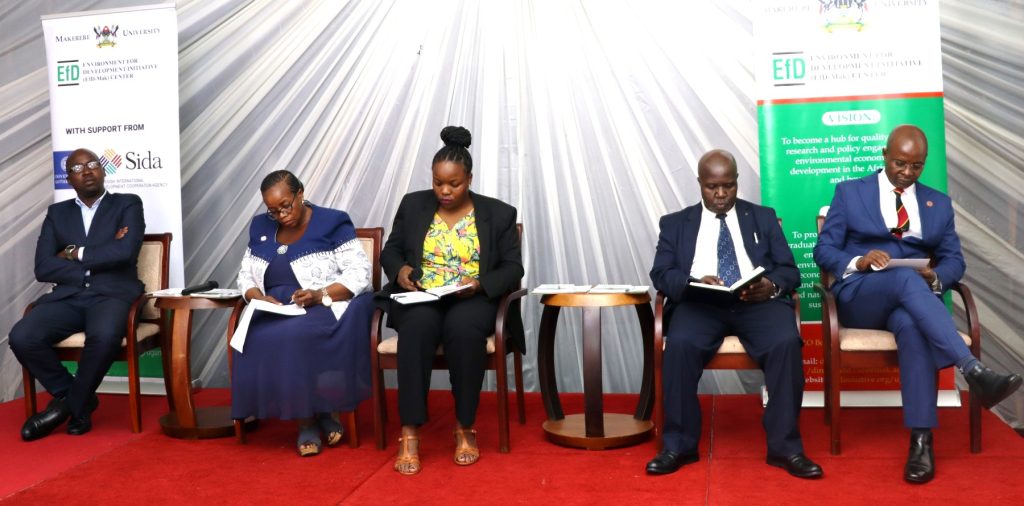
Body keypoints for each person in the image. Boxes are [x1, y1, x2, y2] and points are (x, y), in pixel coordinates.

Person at [814, 124, 1021, 484]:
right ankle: (972, 370)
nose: (907, 173)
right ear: (884, 155)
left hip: (909, 301)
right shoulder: (850, 193)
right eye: (899, 164)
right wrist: (859, 260)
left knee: (913, 326)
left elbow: (954, 260)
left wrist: (936, 278)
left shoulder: (937, 204)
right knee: (908, 281)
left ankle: (921, 440)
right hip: (861, 295)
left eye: (916, 166)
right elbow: (824, 249)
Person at [646, 149, 823, 479]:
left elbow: (790, 270)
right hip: (700, 305)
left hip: (757, 303)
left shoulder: (763, 217)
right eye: (712, 186)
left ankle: (786, 448)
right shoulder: (675, 223)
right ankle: (678, 446)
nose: (721, 194)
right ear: (700, 183)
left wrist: (769, 285)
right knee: (680, 345)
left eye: (728, 185)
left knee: (786, 342)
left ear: (737, 182)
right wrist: (693, 283)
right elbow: (661, 272)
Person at [379, 126, 524, 475]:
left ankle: (464, 427)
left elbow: (512, 268)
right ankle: (410, 431)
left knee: (462, 330)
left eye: (454, 184)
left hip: (470, 296)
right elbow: (392, 250)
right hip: (421, 294)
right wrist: (401, 272)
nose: (444, 191)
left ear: (469, 179)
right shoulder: (413, 205)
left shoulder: (498, 214)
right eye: (438, 183)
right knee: (416, 329)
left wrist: (480, 283)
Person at [233, 170, 374, 457]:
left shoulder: (332, 221)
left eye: (286, 205)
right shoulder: (260, 226)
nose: (281, 215)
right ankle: (317, 414)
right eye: (273, 211)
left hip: (323, 304)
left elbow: (361, 273)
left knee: (294, 336)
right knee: (252, 337)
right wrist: (257, 297)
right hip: (275, 308)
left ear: (300, 193)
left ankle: (308, 422)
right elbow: (245, 274)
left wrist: (320, 293)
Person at [10, 148, 146, 440]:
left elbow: (125, 251)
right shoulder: (57, 214)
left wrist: (73, 252)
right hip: (69, 296)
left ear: (103, 170)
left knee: (105, 336)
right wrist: (88, 268)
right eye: (77, 168)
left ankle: (67, 406)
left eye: (93, 164)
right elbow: (43, 267)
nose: (86, 171)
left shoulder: (127, 204)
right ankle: (78, 400)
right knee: (22, 336)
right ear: (69, 178)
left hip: (112, 294)